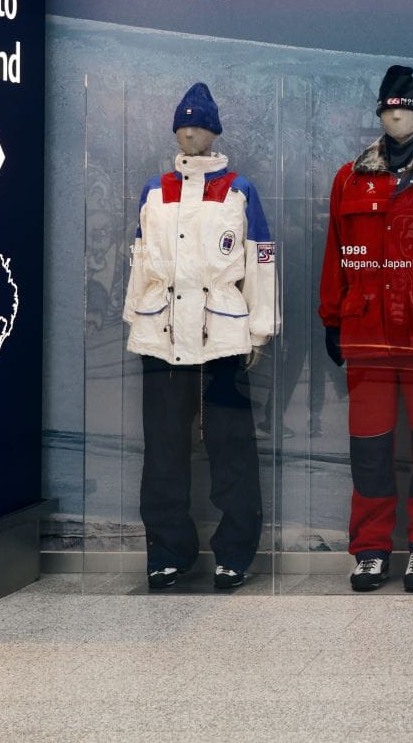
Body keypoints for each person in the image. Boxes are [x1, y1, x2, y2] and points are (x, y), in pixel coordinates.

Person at [319, 65, 413, 594]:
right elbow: (337, 254)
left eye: (405, 109)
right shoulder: (349, 178)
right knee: (369, 448)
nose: (397, 116)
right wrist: (331, 318)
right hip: (368, 333)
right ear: (380, 115)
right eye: (389, 109)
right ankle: (370, 550)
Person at [123, 82, 277, 591]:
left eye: (198, 125)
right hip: (161, 334)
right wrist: (135, 318)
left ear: (214, 132)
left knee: (231, 449)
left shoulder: (238, 189)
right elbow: (139, 259)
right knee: (163, 450)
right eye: (182, 125)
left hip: (222, 338)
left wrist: (260, 329)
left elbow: (260, 260)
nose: (189, 133)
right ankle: (168, 552)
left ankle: (235, 552)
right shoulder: (154, 190)